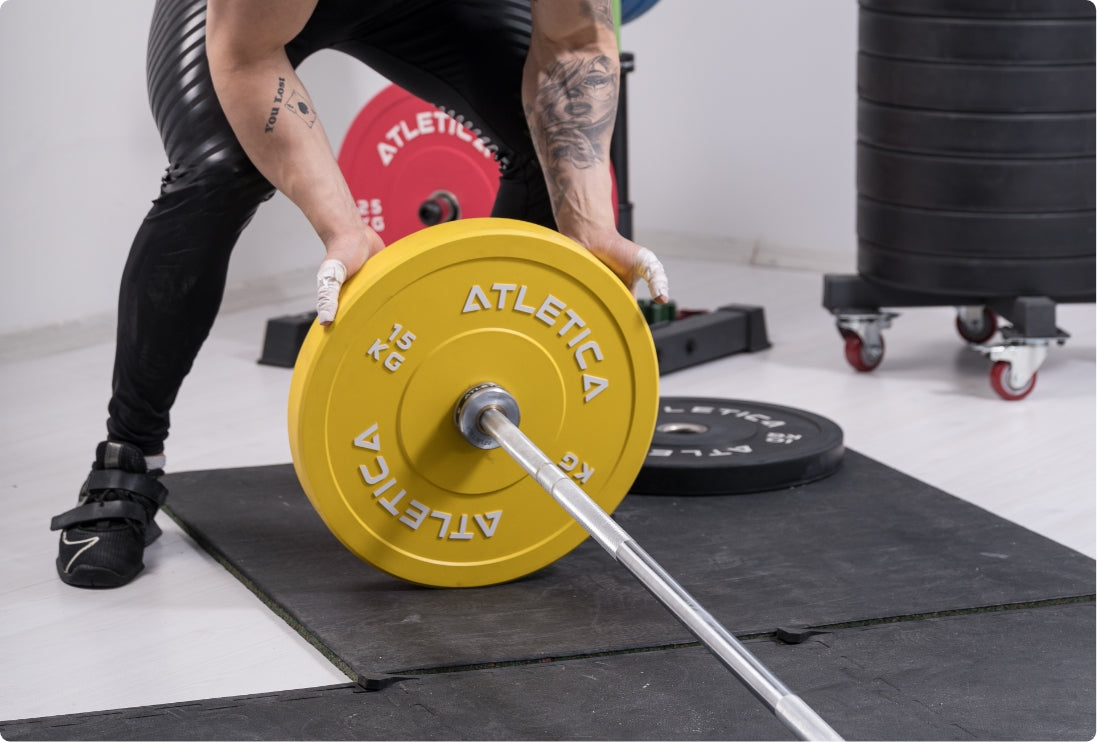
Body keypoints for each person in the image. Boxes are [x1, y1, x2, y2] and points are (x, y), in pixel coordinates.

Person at [50, 0, 670, 589]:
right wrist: (343, 227)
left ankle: (493, 408)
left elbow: (573, 43)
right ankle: (128, 457)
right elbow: (247, 54)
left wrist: (587, 225)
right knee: (220, 169)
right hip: (246, 24)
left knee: (554, 150)